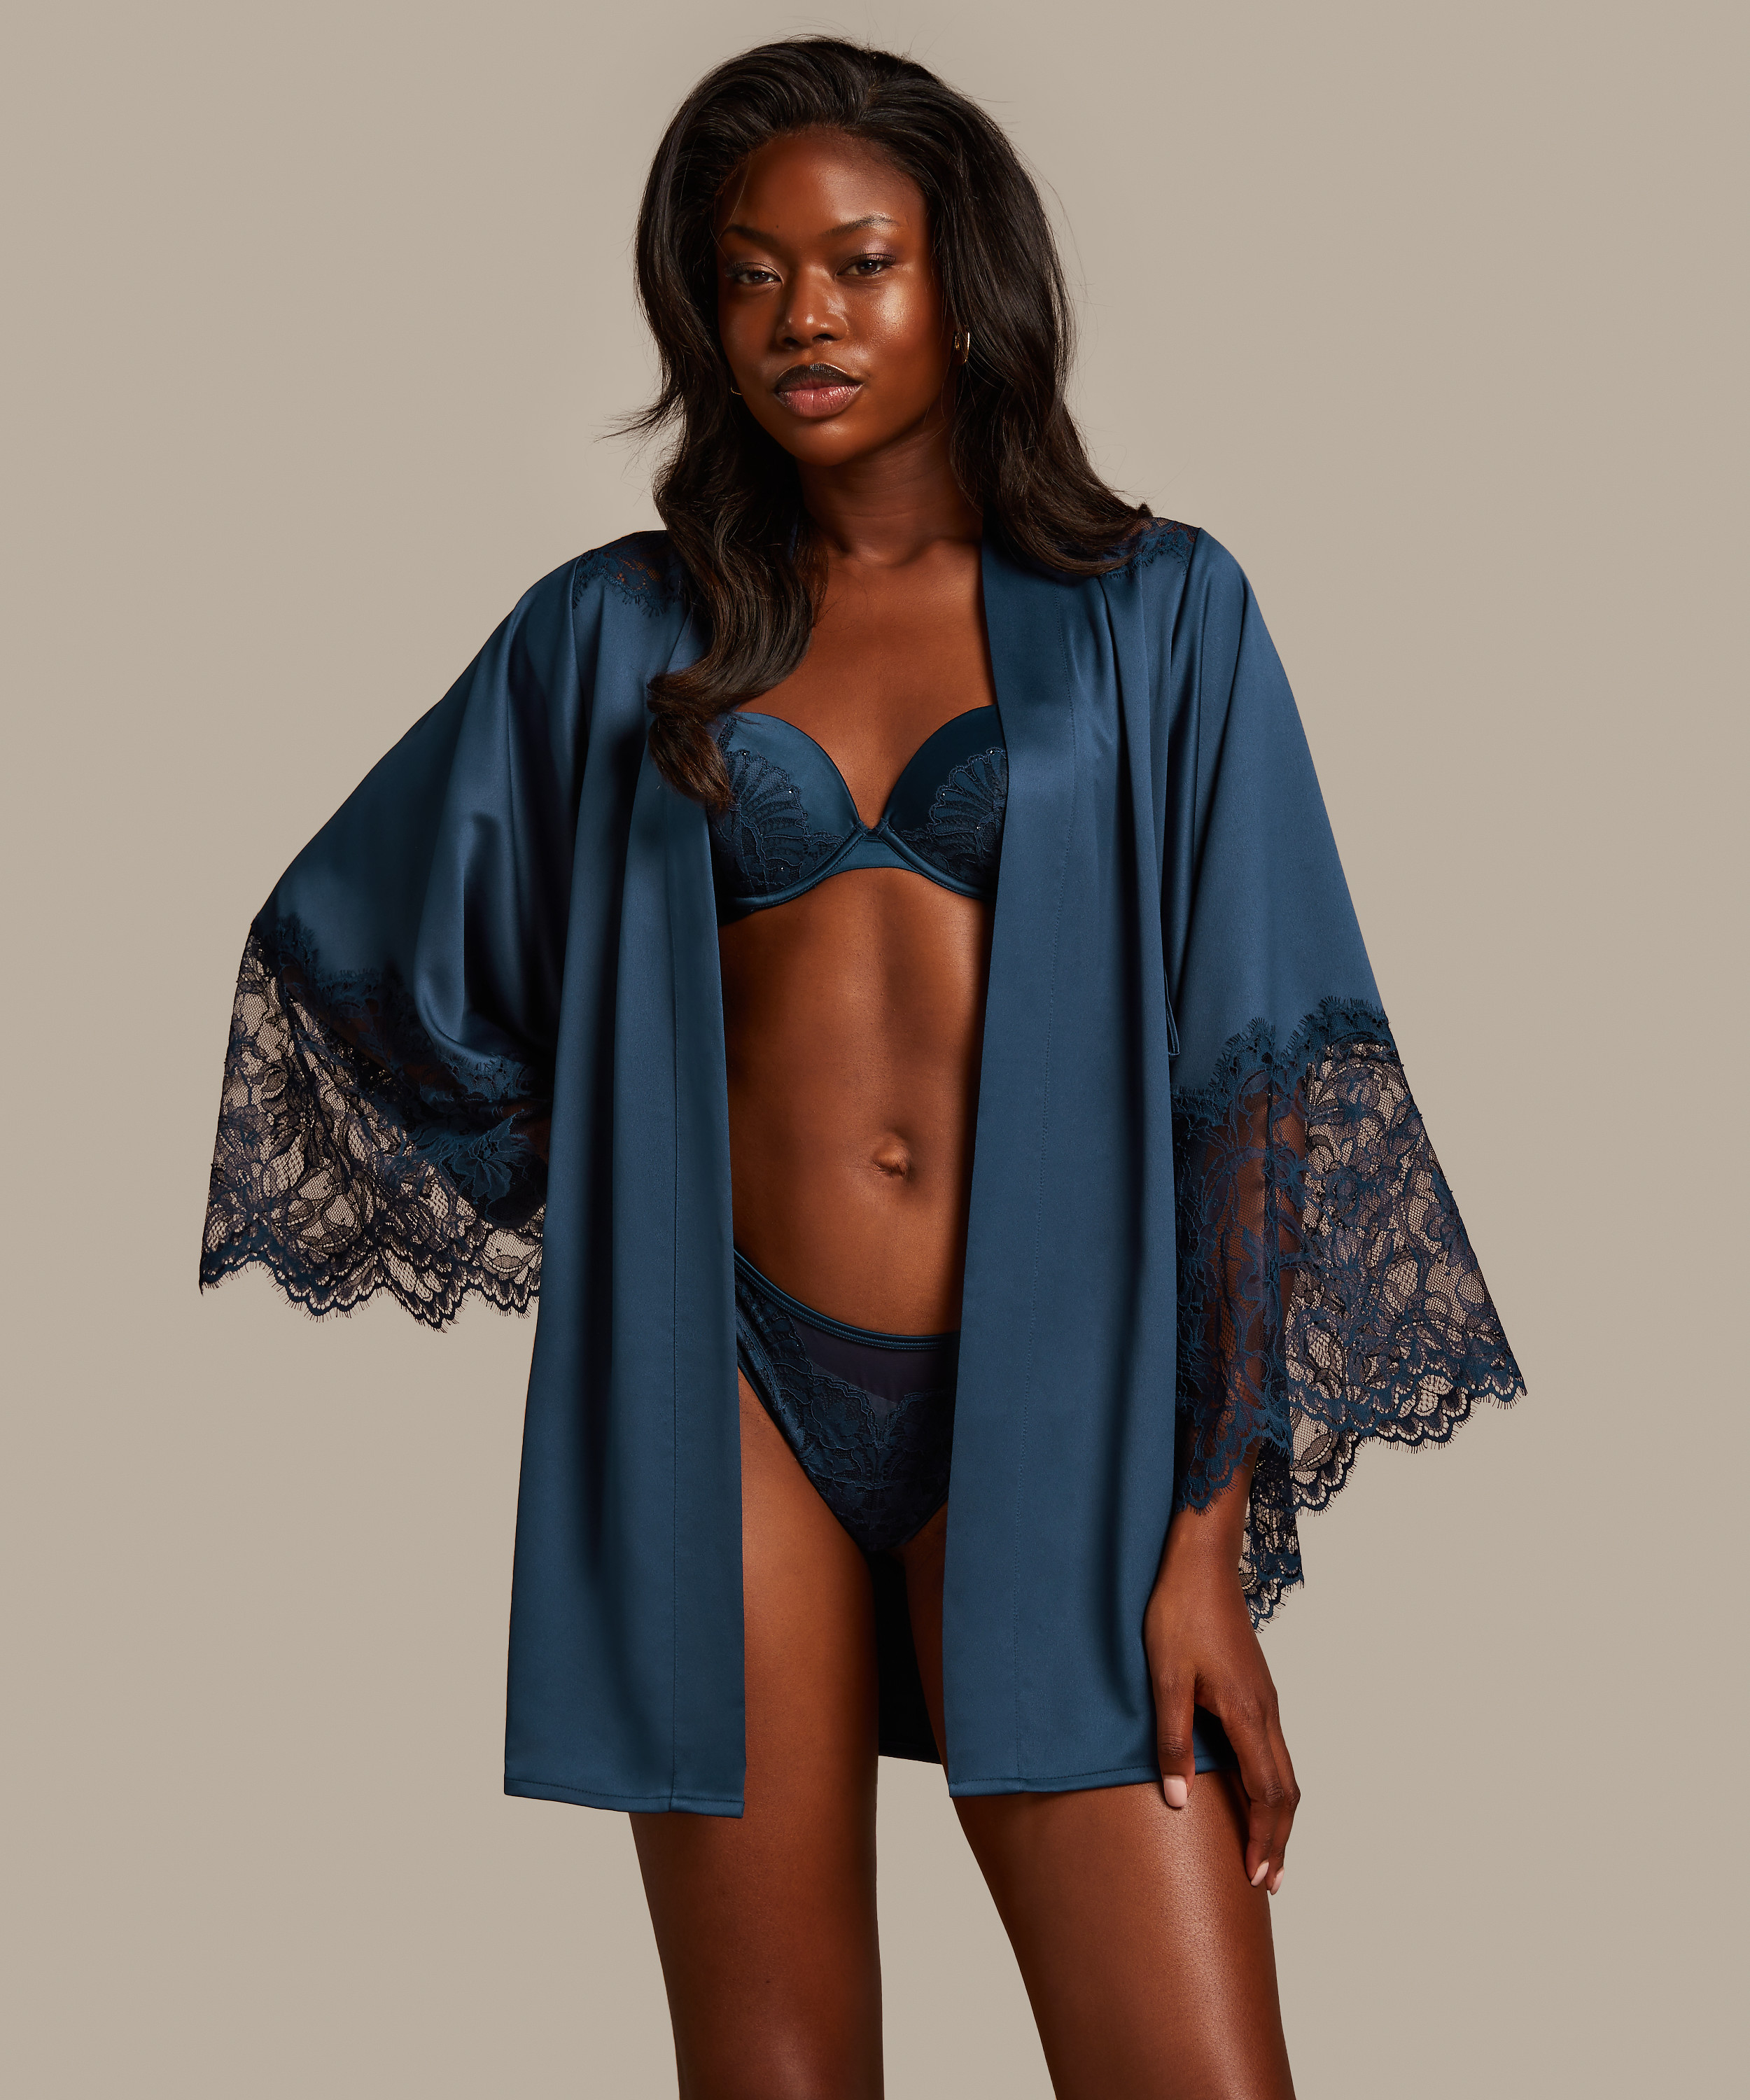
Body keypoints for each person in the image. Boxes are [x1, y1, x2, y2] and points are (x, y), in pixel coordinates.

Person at [201, 38, 1522, 2100]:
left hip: (1060, 1404)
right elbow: (365, 944)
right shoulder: (618, 633)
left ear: (964, 289)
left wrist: (1206, 1546)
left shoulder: (1161, 614)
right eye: (748, 275)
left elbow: (1261, 1074)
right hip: (726, 1387)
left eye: (858, 263)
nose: (799, 317)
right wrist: (618, 1183)